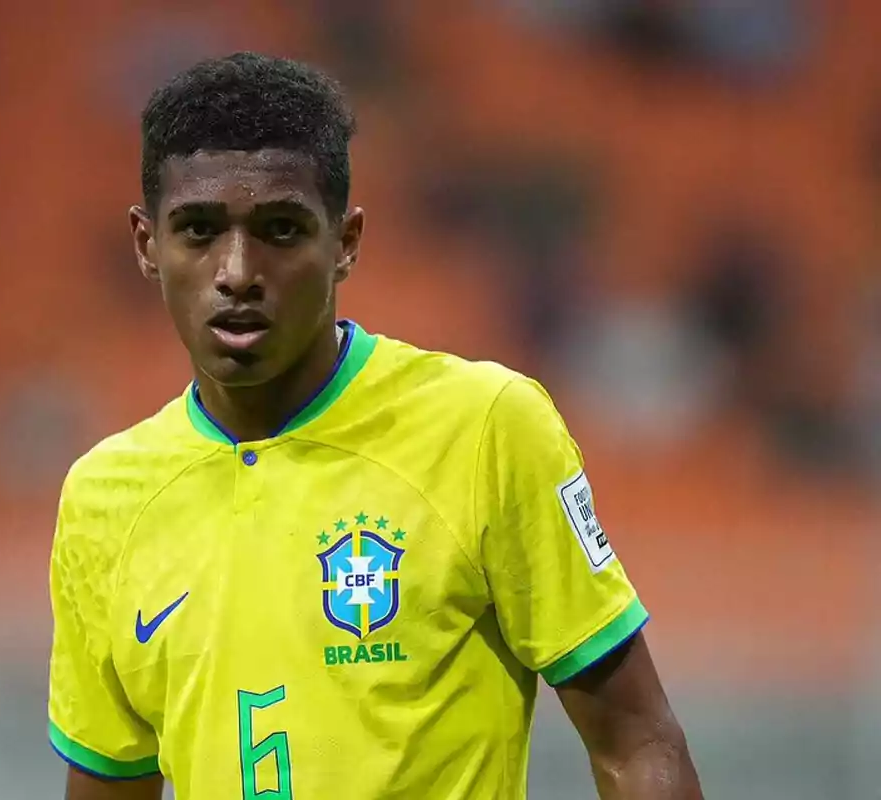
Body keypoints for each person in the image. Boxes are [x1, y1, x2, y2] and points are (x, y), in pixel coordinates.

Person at [47, 51, 703, 800]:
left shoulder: (485, 428)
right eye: (198, 230)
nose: (236, 270)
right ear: (146, 245)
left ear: (347, 242)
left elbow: (637, 741)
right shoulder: (105, 499)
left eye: (281, 230)